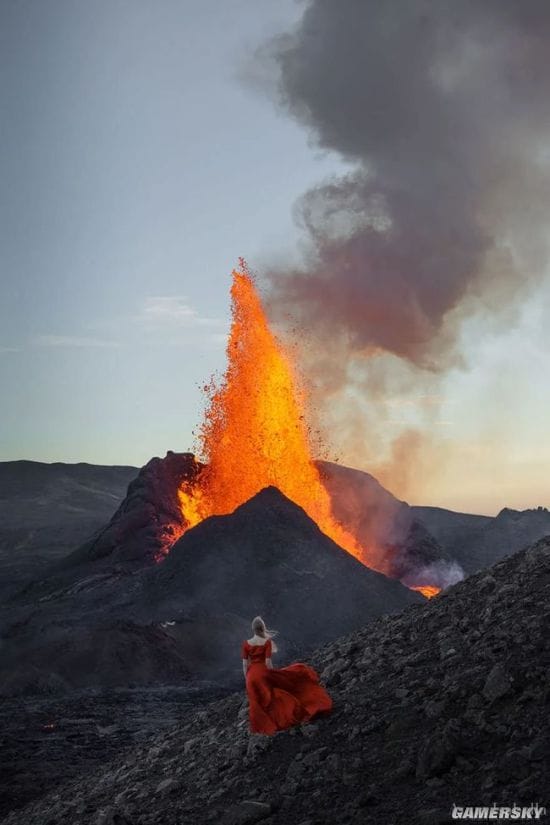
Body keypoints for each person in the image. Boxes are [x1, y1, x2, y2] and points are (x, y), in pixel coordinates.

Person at [241, 615, 333, 735]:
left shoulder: (246, 644)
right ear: (263, 628)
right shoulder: (266, 643)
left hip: (251, 677)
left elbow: (245, 664)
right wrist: (273, 674)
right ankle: (279, 717)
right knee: (271, 694)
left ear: (253, 629)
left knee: (257, 701)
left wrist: (247, 678)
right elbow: (268, 663)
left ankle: (261, 725)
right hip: (263, 672)